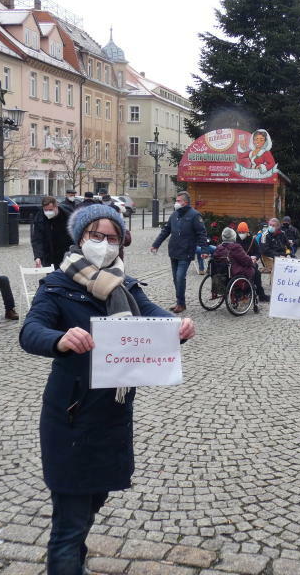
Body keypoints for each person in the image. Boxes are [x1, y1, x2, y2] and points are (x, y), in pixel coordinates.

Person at [19, 204, 195, 575]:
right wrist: (61, 338)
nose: (103, 244)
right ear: (80, 238)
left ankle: (75, 561)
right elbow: (30, 331)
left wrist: (177, 325)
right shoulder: (56, 285)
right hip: (70, 416)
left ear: (121, 243)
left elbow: (151, 314)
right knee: (68, 524)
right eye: (95, 236)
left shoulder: (123, 286)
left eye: (111, 237)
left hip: (111, 415)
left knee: (91, 505)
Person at [149, 191, 208, 314]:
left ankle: (181, 304)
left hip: (186, 252)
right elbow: (166, 231)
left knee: (180, 277)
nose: (176, 203)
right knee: (176, 279)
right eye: (176, 201)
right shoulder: (174, 215)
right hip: (174, 251)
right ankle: (180, 302)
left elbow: (201, 233)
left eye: (178, 201)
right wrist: (156, 244)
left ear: (185, 202)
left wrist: (204, 249)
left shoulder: (194, 215)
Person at [212, 227, 268, 302]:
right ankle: (248, 292)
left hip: (220, 271)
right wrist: (252, 261)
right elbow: (246, 260)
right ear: (233, 236)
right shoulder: (235, 247)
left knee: (253, 268)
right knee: (254, 270)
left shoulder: (219, 247)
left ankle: (257, 294)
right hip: (233, 271)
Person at [32, 197, 74, 268]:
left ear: (56, 207)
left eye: (50, 210)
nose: (48, 212)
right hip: (48, 254)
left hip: (65, 252)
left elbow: (74, 236)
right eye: (45, 210)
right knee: (51, 277)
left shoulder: (68, 216)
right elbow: (37, 239)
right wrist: (38, 256)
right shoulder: (40, 217)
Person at [236, 222, 268, 301]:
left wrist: (255, 258)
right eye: (239, 232)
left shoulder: (252, 240)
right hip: (238, 262)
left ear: (247, 232)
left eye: (243, 232)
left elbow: (258, 252)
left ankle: (261, 294)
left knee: (257, 273)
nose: (241, 234)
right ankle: (244, 291)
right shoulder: (235, 239)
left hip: (250, 262)